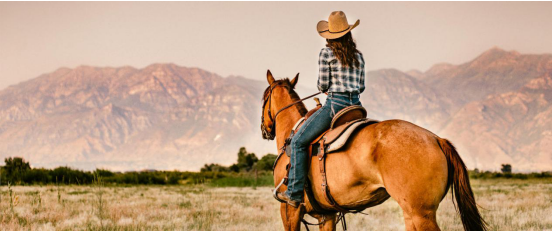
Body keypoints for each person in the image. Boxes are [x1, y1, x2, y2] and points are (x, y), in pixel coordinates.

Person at [276, 11, 366, 207]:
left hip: (335, 106)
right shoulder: (358, 56)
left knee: (299, 141)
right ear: (349, 33)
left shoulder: (326, 53)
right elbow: (361, 87)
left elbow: (323, 85)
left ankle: (294, 192)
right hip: (356, 107)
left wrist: (327, 88)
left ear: (330, 36)